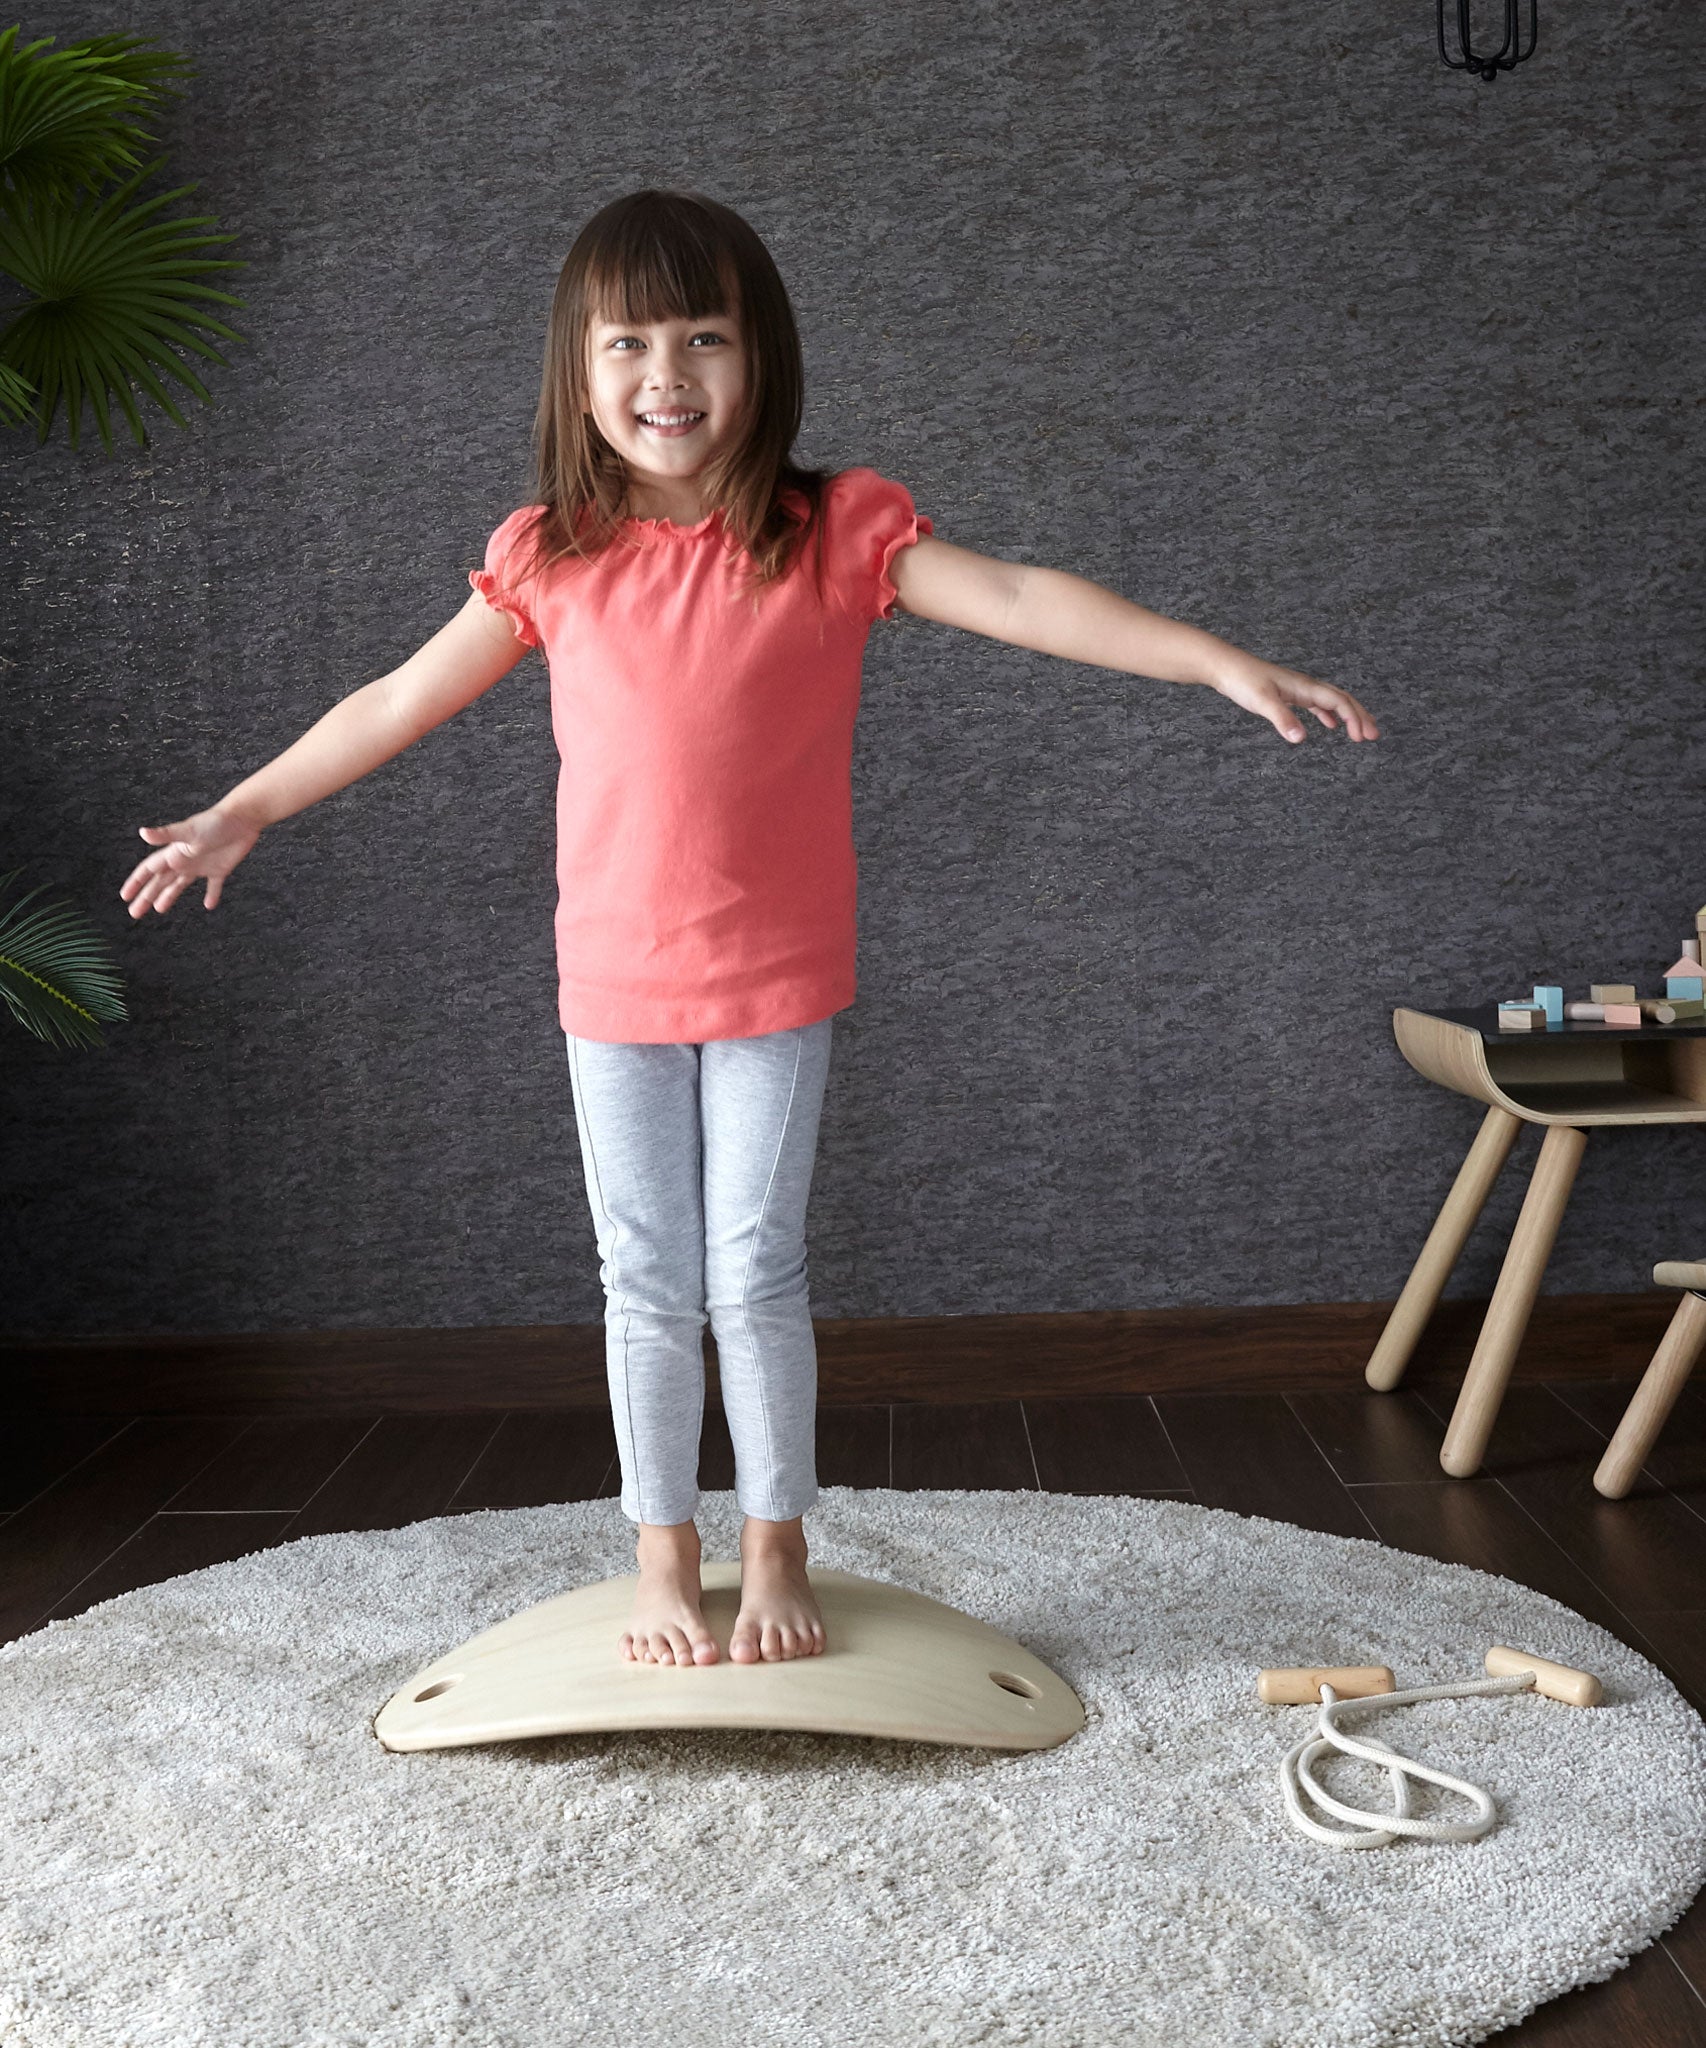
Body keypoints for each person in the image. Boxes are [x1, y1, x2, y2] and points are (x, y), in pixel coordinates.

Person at [119, 186, 1380, 1674]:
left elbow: (1026, 595)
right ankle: (665, 1553)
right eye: (629, 345)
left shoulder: (834, 529)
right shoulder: (547, 554)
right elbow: (398, 699)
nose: (668, 378)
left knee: (752, 1269)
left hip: (775, 978)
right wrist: (248, 806)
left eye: (704, 337)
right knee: (643, 1277)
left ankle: (775, 1539)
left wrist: (1215, 664)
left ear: (761, 355)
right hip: (612, 982)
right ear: (578, 374)